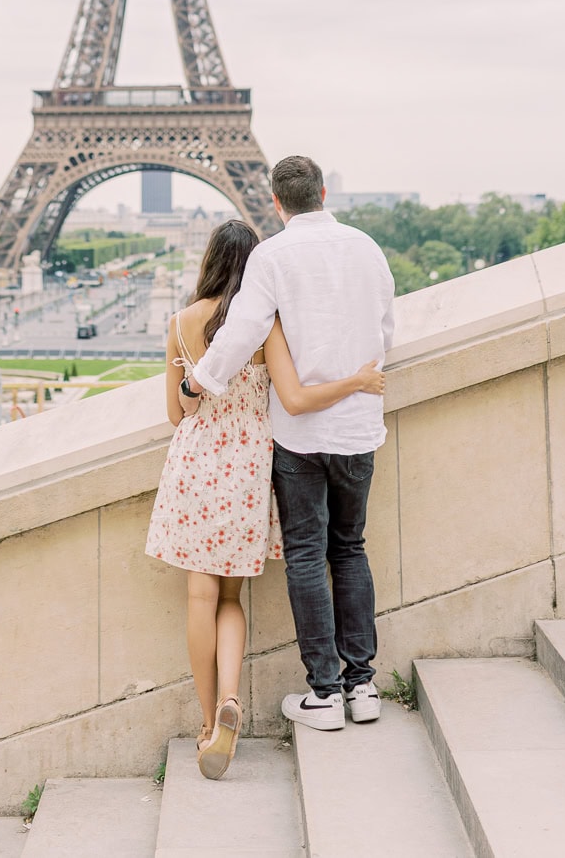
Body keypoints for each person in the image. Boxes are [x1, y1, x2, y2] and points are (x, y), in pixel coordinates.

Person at [146, 218, 385, 779]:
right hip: (252, 467)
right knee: (232, 600)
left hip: (196, 466)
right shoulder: (265, 327)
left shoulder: (181, 325)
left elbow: (176, 413)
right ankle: (233, 694)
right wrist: (354, 382)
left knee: (199, 599)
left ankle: (209, 724)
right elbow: (293, 396)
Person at [182, 155, 395, 732]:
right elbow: (386, 331)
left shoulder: (271, 256)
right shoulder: (367, 249)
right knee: (350, 548)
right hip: (357, 427)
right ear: (324, 192)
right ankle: (363, 686)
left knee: (306, 554)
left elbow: (242, 331)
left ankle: (323, 693)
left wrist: (197, 380)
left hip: (299, 435)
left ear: (276, 202)